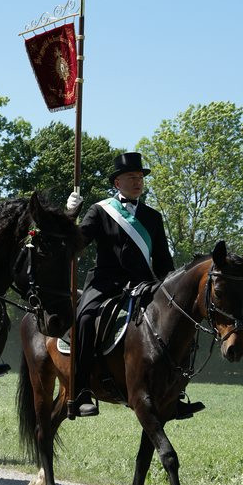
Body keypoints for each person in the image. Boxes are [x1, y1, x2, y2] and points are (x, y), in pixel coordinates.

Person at [65, 152, 175, 417]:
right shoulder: (100, 211)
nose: (138, 182)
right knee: (86, 318)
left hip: (144, 285)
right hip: (105, 282)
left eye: (140, 177)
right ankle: (81, 392)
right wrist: (69, 215)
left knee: (172, 321)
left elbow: (162, 261)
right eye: (131, 177)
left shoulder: (153, 217)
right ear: (117, 184)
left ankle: (173, 390)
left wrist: (169, 289)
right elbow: (75, 243)